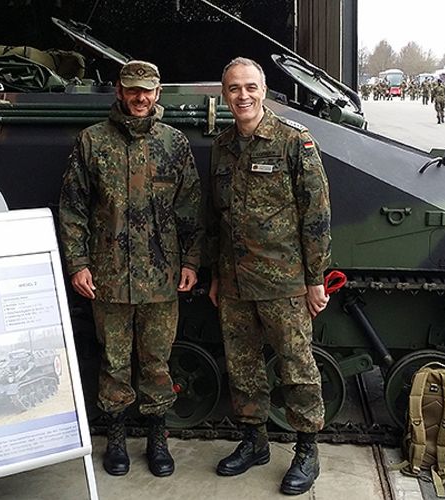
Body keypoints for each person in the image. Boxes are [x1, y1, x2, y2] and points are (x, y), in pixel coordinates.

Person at [59, 60, 204, 478]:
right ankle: (117, 437)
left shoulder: (174, 144)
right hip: (107, 278)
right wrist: (79, 263)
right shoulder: (92, 142)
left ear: (158, 94)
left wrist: (192, 260)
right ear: (119, 92)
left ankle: (158, 437)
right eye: (132, 90)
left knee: (157, 361)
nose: (140, 98)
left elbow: (190, 209)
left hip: (161, 278)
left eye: (148, 91)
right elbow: (73, 209)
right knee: (114, 361)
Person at [207, 56, 331, 496]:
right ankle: (254, 441)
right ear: (225, 95)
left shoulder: (293, 141)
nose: (243, 95)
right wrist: (219, 274)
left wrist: (315, 277)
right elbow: (218, 217)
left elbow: (316, 214)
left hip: (284, 281)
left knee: (297, 367)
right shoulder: (222, 146)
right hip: (236, 281)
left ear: (263, 90)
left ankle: (306, 448)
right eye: (234, 88)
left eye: (250, 87)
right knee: (244, 367)